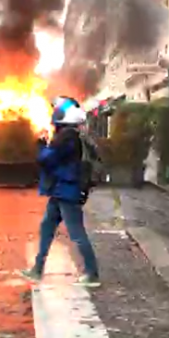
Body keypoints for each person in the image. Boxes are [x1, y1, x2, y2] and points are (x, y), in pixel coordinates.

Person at [22, 96, 101, 287]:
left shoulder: (67, 138)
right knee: (47, 227)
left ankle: (92, 274)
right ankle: (37, 269)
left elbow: (47, 159)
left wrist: (41, 145)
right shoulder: (72, 136)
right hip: (61, 190)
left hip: (67, 191)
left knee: (76, 233)